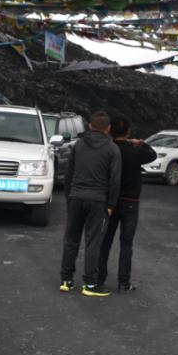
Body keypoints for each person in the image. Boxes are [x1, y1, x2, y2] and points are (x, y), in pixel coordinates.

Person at [59, 110, 120, 297]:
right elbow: (115, 180)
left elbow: (69, 174)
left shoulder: (78, 145)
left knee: (71, 240)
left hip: (76, 197)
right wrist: (111, 204)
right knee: (93, 242)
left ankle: (66, 280)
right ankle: (90, 284)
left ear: (90, 126)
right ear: (108, 128)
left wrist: (69, 197)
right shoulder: (112, 149)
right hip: (98, 201)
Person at [97, 116, 157, 292]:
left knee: (105, 241)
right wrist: (141, 143)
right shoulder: (134, 151)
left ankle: (99, 278)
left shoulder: (109, 149)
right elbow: (152, 154)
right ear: (128, 132)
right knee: (126, 243)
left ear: (110, 130)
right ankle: (124, 282)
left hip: (110, 202)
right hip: (131, 202)